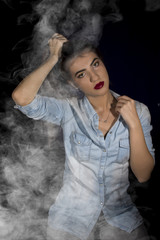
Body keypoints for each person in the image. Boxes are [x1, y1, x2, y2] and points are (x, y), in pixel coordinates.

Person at [12, 33, 155, 240]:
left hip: (120, 217)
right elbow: (21, 98)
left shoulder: (139, 111)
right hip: (71, 220)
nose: (94, 77)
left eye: (95, 64)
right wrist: (53, 57)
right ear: (72, 84)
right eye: (81, 74)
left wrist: (133, 124)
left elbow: (143, 174)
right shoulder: (67, 110)